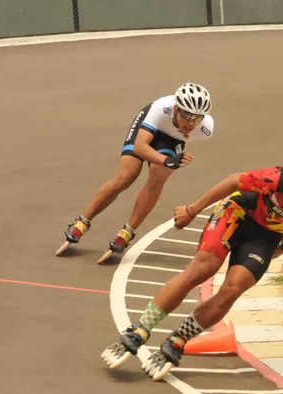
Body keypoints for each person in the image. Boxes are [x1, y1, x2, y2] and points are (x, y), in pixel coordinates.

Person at [101, 144, 283, 380]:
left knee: (234, 288)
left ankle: (178, 340)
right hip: (237, 213)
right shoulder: (282, 180)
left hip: (265, 236)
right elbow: (233, 181)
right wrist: (193, 210)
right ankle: (141, 330)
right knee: (202, 269)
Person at [55, 82, 215, 263]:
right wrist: (168, 160)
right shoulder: (160, 108)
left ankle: (127, 232)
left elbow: (167, 157)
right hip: (149, 131)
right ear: (176, 109)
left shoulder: (205, 129)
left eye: (197, 118)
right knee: (126, 176)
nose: (190, 123)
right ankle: (82, 221)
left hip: (171, 140)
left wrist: (168, 162)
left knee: (159, 175)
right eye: (186, 116)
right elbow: (140, 146)